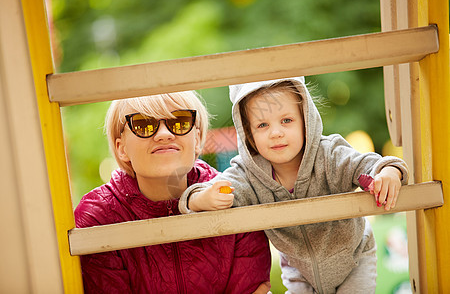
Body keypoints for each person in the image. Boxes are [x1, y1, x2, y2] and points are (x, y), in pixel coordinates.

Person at [179, 77, 409, 293]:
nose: (276, 133)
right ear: (249, 135)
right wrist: (200, 199)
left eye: (286, 121)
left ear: (305, 121)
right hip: (299, 272)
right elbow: (216, 189)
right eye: (262, 125)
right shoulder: (248, 174)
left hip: (353, 260)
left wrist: (389, 171)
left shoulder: (328, 156)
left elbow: (368, 165)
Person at [74, 91, 272, 293]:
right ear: (121, 147)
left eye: (179, 121)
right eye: (144, 124)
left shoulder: (234, 195)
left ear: (196, 138)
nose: (164, 134)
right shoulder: (97, 218)